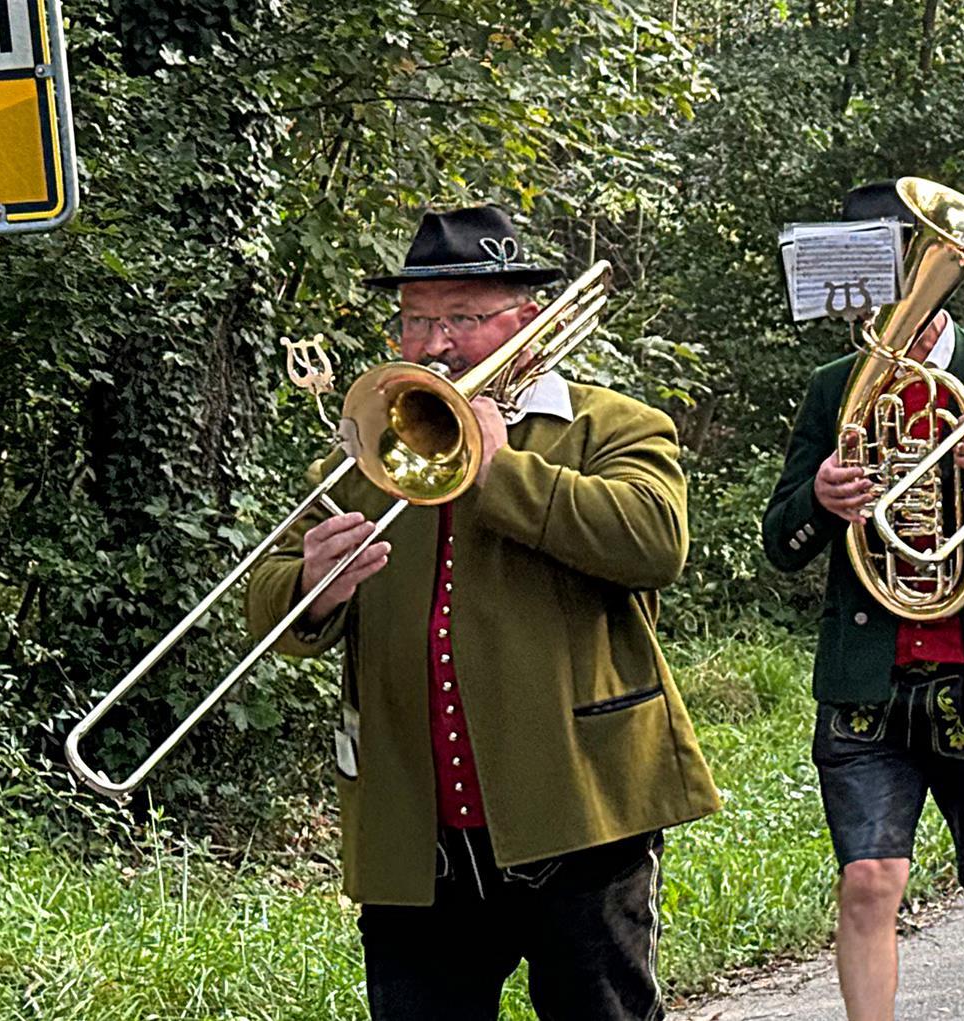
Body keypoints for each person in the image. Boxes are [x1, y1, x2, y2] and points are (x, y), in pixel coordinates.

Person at [249, 205, 720, 1021]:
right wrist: (310, 590)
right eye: (417, 321)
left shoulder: (610, 425)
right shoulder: (370, 446)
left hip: (581, 810)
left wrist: (498, 469)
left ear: (528, 324)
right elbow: (266, 592)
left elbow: (654, 542)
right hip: (414, 829)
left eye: (462, 317)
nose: (434, 343)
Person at [760, 181, 964, 1021]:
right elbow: (780, 542)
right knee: (868, 880)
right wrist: (821, 498)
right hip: (871, 676)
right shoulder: (835, 384)